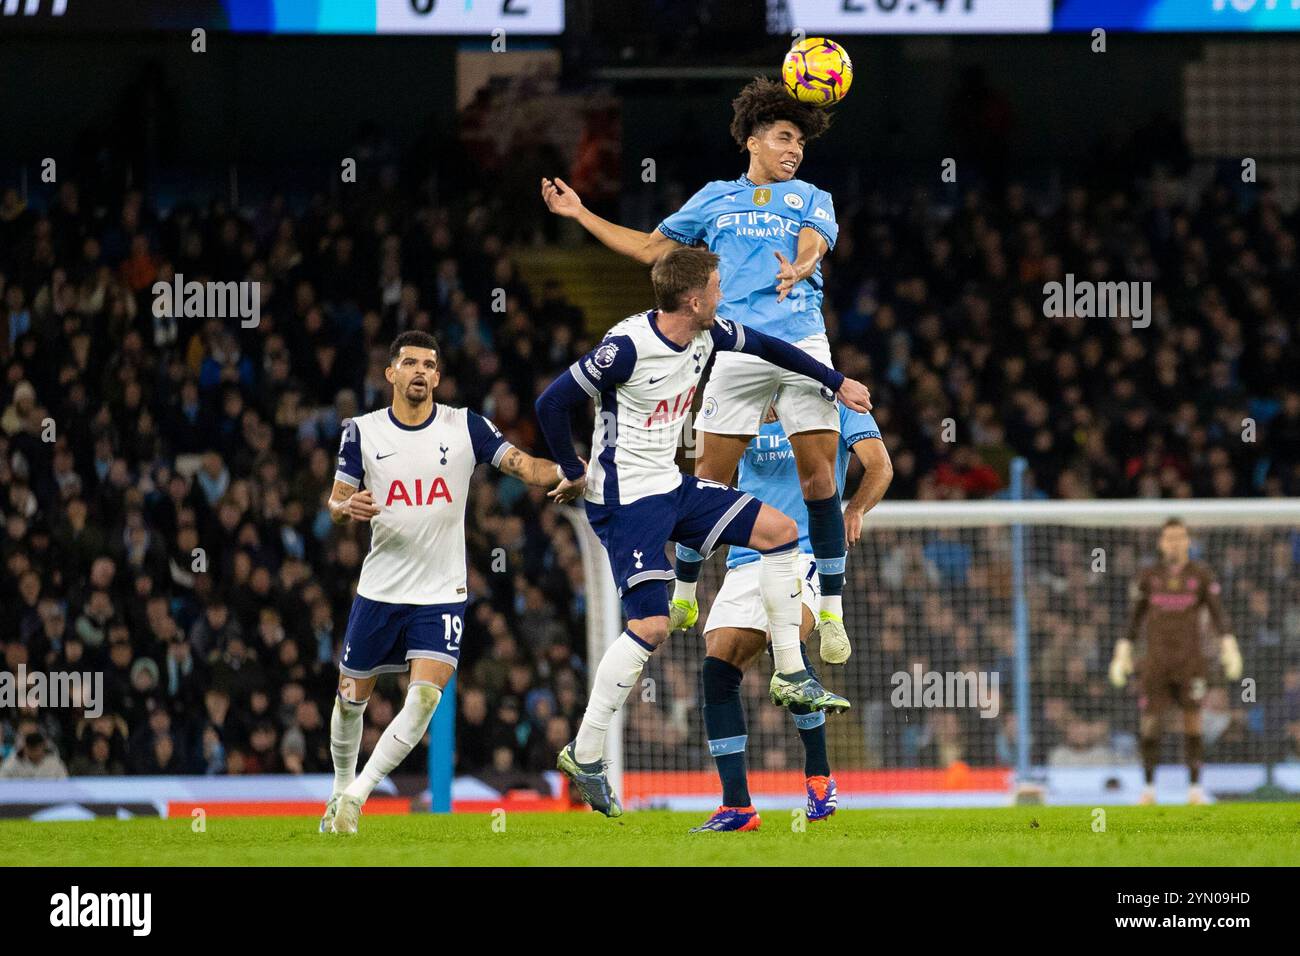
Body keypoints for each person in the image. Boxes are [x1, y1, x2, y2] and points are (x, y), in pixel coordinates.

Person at [534, 246, 872, 817]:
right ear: (694, 299)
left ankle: (792, 672)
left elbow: (770, 347)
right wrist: (571, 469)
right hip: (626, 500)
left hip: (671, 486)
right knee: (651, 625)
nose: (724, 295)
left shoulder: (707, 334)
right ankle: (586, 751)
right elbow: (551, 402)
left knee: (779, 530)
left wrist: (834, 380)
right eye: (718, 286)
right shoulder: (625, 349)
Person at [542, 78, 856, 656]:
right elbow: (648, 249)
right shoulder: (714, 198)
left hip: (802, 343)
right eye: (784, 138)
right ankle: (686, 587)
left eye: (801, 144)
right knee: (711, 479)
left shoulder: (812, 195)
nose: (794, 151)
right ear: (753, 142)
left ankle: (832, 610)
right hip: (735, 350)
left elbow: (816, 243)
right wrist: (581, 212)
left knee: (819, 479)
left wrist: (799, 266)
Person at [321, 331, 579, 834]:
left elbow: (522, 464)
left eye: (430, 365)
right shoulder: (362, 432)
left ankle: (356, 796)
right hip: (380, 588)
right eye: (410, 363)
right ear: (390, 373)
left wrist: (569, 470)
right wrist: (343, 507)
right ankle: (338, 787)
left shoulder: (466, 426)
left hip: (441, 593)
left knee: (424, 699)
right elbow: (335, 502)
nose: (421, 371)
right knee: (350, 698)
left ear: (438, 377)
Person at [692, 399, 891, 832]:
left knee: (788, 652)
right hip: (746, 556)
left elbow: (880, 466)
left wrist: (854, 509)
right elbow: (709, 476)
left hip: (806, 552)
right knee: (716, 670)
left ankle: (818, 778)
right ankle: (737, 806)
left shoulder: (835, 402)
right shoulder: (741, 398)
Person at [1108, 517, 1243, 805]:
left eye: (1180, 537)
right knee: (1150, 724)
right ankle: (1148, 789)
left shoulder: (1201, 575)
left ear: (1188, 541)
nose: (1175, 542)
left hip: (1190, 663)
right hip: (1155, 664)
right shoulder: (1148, 576)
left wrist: (1230, 646)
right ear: (1161, 542)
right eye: (1169, 537)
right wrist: (1122, 652)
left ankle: (1194, 789)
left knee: (1193, 723)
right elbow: (1133, 619)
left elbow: (1218, 614)